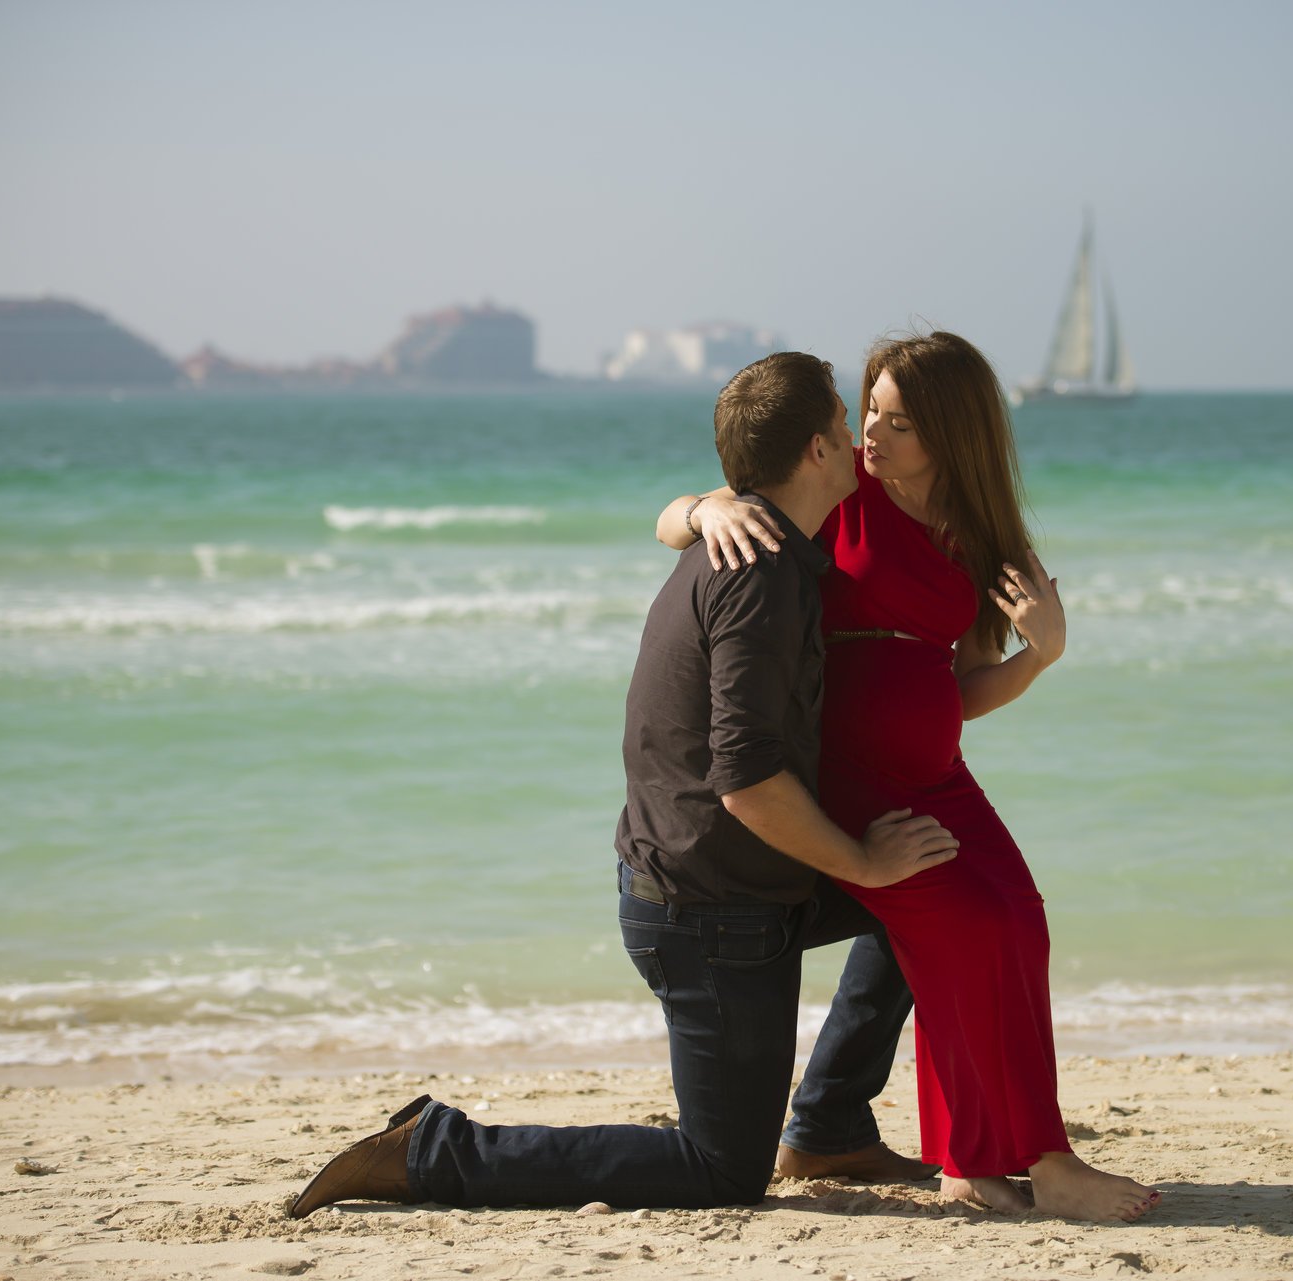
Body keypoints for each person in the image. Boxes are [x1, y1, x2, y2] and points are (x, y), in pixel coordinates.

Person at [287, 352, 959, 1218]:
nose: (855, 434)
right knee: (721, 1171)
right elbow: (747, 780)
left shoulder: (763, 532)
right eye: (843, 420)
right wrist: (862, 862)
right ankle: (431, 1150)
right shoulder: (759, 572)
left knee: (925, 889)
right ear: (818, 453)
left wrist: (699, 504)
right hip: (712, 912)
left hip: (736, 880)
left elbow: (683, 521)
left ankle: (828, 1116)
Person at [655, 331, 1158, 1223]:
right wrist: (703, 512)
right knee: (963, 922)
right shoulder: (840, 481)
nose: (874, 436)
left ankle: (981, 1155)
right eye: (870, 411)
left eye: (898, 422)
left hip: (937, 769)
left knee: (1019, 919)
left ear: (953, 433)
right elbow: (674, 516)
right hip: (848, 775)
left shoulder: (980, 531)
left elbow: (962, 690)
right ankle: (1032, 1160)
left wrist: (1042, 656)